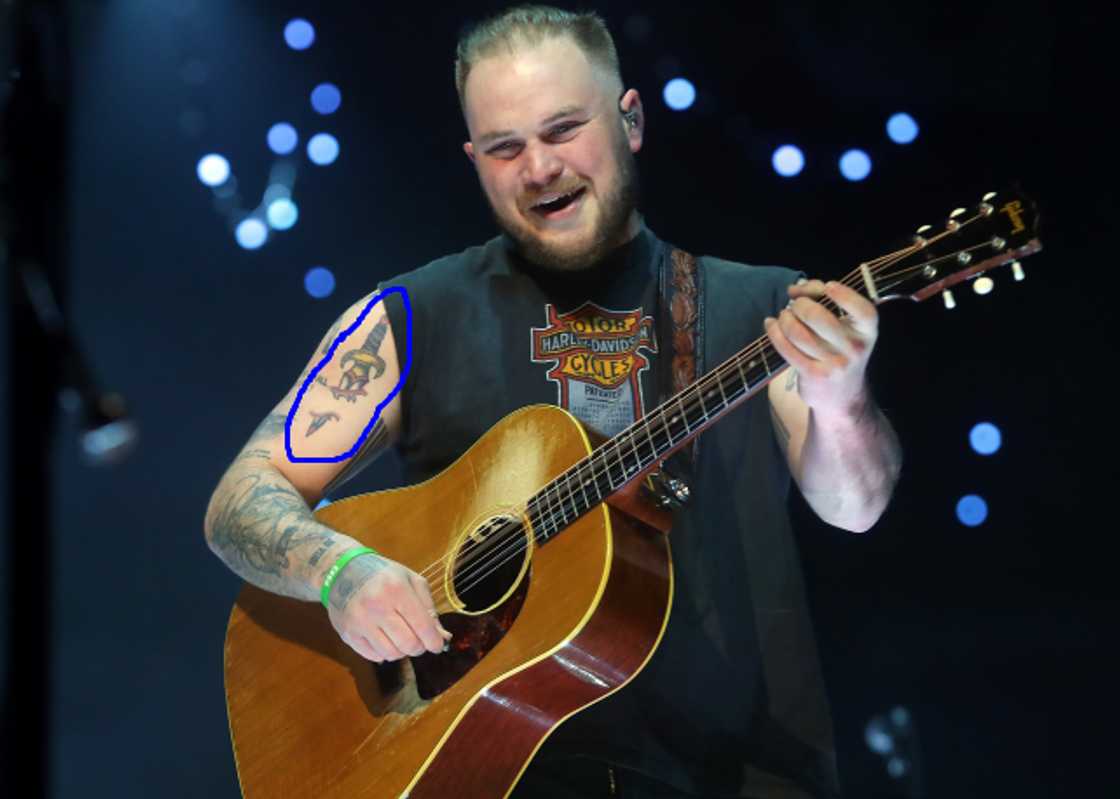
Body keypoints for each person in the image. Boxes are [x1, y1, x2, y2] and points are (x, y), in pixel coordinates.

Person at [203, 5, 902, 797]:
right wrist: (341, 572)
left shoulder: (764, 310)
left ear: (631, 121)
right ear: (474, 160)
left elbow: (856, 507)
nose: (538, 167)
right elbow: (240, 497)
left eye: (563, 129)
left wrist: (843, 399)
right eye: (505, 147)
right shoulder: (409, 319)